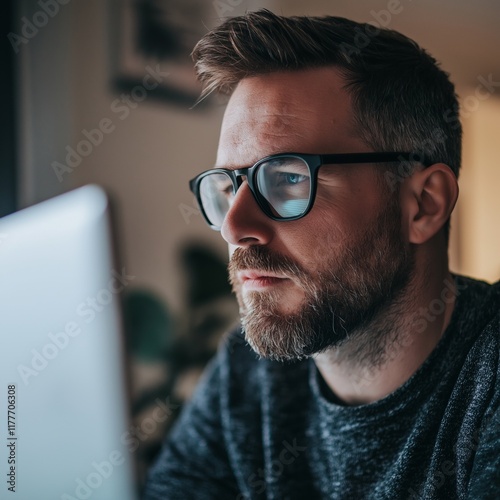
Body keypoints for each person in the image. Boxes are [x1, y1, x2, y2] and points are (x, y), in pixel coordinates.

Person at [143, 9, 500, 499]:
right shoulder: (245, 376)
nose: (235, 226)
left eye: (288, 178)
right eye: (230, 185)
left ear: (423, 205)